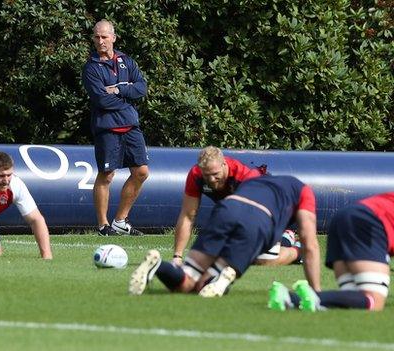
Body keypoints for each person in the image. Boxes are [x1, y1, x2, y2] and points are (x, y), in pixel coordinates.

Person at [129, 175, 321, 298]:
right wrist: (316, 291)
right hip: (258, 220)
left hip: (226, 210)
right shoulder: (304, 191)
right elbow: (309, 243)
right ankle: (222, 277)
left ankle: (158, 264)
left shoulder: (254, 180)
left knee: (186, 282)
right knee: (203, 284)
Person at [173, 146, 301, 267]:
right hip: (244, 210)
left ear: (224, 164)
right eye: (207, 175)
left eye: (215, 174)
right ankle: (286, 235)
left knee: (263, 259)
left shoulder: (246, 176)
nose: (211, 180)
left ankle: (299, 250)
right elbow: (188, 215)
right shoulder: (196, 175)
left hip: (270, 207)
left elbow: (249, 218)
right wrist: (177, 257)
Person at [268, 192, 394, 312]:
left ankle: (296, 300)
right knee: (374, 299)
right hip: (367, 222)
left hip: (344, 217)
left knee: (354, 300)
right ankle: (291, 298)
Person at [81, 19, 149, 236]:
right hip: (107, 127)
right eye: (96, 37)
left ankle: (120, 220)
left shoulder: (126, 61)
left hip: (130, 124)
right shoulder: (91, 68)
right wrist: (126, 92)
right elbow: (101, 101)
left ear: (113, 37)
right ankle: (103, 225)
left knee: (141, 172)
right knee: (107, 175)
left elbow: (141, 88)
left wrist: (119, 90)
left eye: (104, 37)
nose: (100, 41)